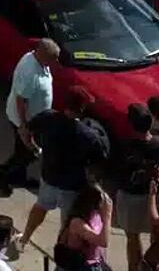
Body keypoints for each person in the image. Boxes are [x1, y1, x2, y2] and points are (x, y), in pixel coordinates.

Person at [21, 88, 112, 251]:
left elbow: (25, 131)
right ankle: (62, 254)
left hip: (49, 178)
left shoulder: (48, 117)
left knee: (40, 207)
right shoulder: (88, 135)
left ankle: (24, 239)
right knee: (69, 224)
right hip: (72, 187)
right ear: (82, 108)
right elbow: (100, 160)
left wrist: (35, 149)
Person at [114, 103, 159, 271]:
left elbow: (112, 172)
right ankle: (154, 265)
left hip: (130, 199)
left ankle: (134, 268)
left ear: (131, 124)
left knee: (132, 236)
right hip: (157, 196)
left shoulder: (123, 146)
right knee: (157, 234)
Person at [0, 39, 59, 195]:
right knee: (29, 153)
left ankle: (19, 177)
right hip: (26, 121)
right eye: (53, 58)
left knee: (22, 150)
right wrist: (24, 126)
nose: (56, 62)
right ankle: (4, 172)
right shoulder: (30, 72)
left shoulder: (38, 60)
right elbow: (21, 100)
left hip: (35, 120)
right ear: (42, 55)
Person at [52, 184, 113, 271]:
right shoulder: (77, 223)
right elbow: (103, 242)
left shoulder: (97, 216)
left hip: (96, 263)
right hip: (80, 265)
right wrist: (107, 215)